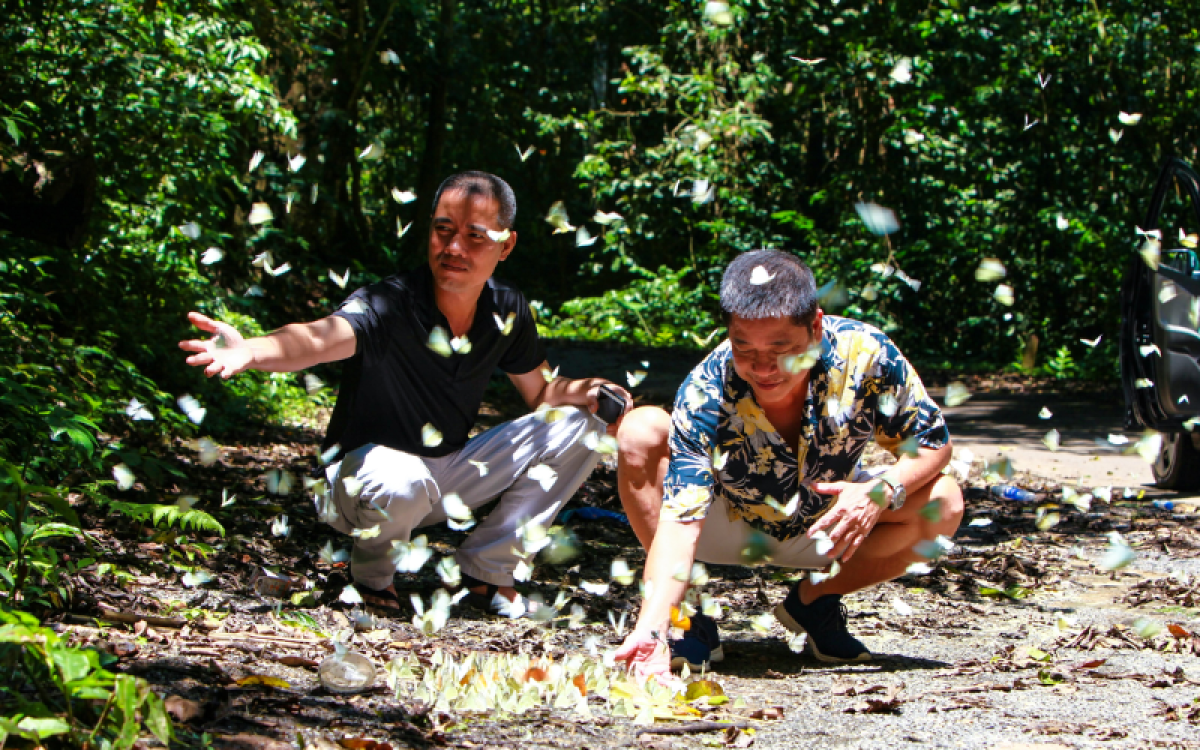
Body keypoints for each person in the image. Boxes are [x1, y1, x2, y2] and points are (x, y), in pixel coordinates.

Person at [180, 171, 630, 617]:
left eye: (475, 236)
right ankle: (373, 578)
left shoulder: (506, 307)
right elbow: (317, 338)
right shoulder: (388, 303)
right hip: (358, 482)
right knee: (404, 478)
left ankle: (488, 571)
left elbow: (541, 391)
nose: (454, 248)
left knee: (580, 423)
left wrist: (590, 390)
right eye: (443, 231)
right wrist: (252, 349)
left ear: (506, 245)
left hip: (444, 476)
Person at [613, 249, 963, 681]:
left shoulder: (868, 354)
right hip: (726, 522)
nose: (763, 368)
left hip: (829, 523)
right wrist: (652, 628)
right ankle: (686, 615)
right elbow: (681, 520)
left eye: (781, 349)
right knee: (639, 429)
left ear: (815, 327)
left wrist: (880, 489)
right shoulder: (707, 387)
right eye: (743, 346)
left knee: (945, 501)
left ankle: (813, 602)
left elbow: (931, 443)